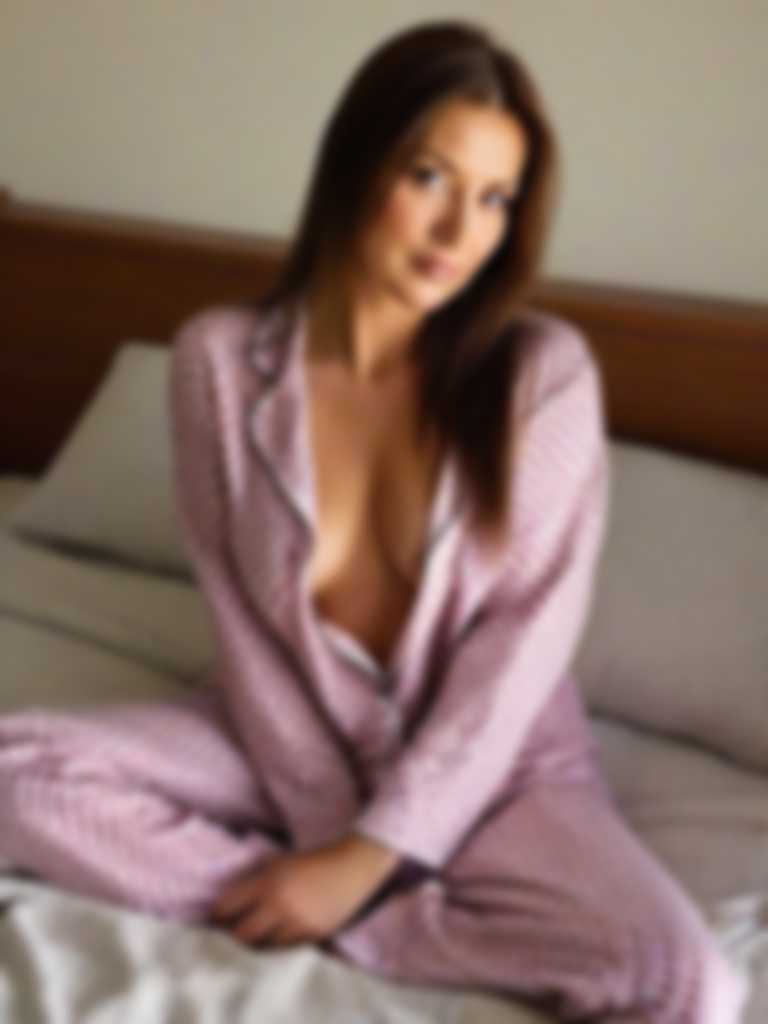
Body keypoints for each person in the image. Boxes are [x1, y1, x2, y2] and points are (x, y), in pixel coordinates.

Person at [0, 19, 749, 1023]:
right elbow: (243, 622)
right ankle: (327, 911)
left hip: (498, 767)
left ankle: (345, 922)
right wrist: (327, 829)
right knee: (15, 773)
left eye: (495, 198)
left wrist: (364, 861)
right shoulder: (218, 363)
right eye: (431, 178)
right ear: (356, 164)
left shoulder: (540, 376)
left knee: (691, 984)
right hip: (280, 733)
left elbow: (519, 649)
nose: (459, 232)